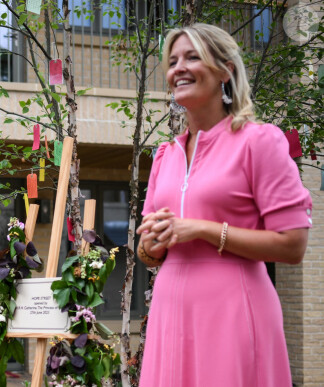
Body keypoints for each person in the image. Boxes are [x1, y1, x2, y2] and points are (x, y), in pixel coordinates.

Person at [135, 24, 312, 387]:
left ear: (225, 70)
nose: (178, 68)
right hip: (170, 311)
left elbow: (293, 245)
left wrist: (202, 228)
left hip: (233, 309)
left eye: (192, 57)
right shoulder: (164, 156)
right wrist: (150, 247)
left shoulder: (259, 142)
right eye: (172, 61)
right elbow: (150, 253)